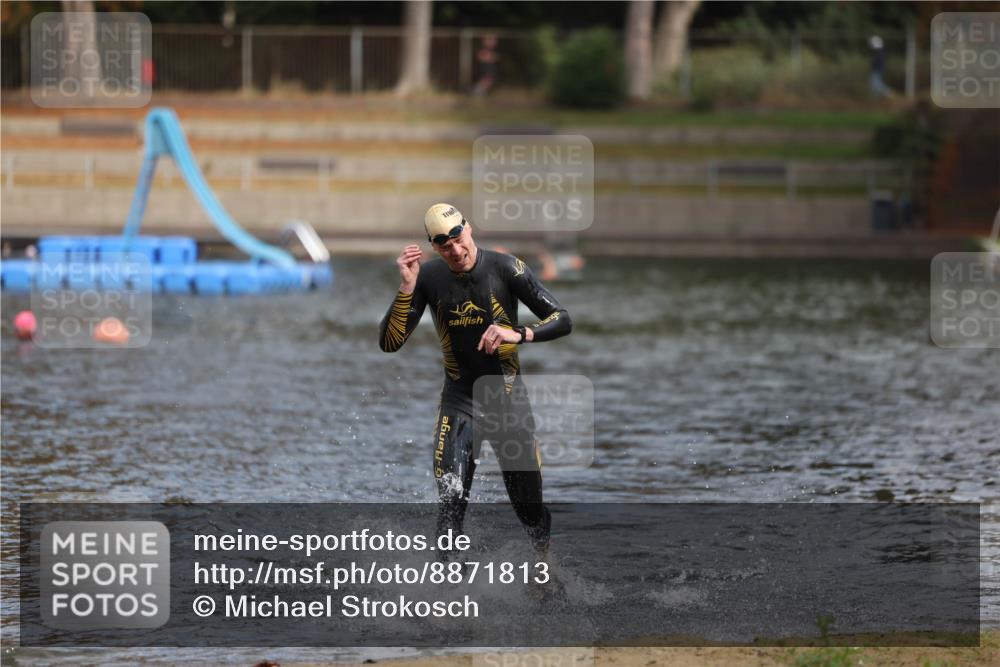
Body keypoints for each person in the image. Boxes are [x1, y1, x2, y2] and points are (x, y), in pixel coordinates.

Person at [379, 203, 572, 557]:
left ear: (468, 229)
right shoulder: (428, 278)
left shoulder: (506, 268)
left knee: (529, 509)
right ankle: (451, 594)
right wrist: (406, 288)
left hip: (508, 405)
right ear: (434, 246)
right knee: (451, 506)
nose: (455, 249)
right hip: (459, 403)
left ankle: (544, 570)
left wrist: (519, 333)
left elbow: (562, 319)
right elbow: (389, 343)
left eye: (457, 237)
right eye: (443, 244)